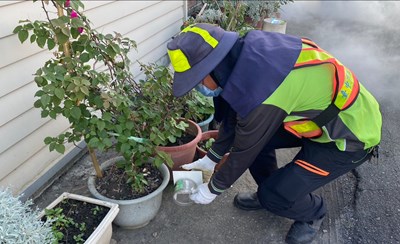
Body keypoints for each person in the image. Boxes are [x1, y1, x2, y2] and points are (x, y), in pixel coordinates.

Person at [166, 23, 381, 244]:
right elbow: (235, 114)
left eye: (198, 79)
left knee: (273, 194)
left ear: (213, 67)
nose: (200, 87)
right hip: (314, 118)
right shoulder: (246, 53)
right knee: (268, 174)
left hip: (348, 136)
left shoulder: (264, 94)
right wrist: (211, 158)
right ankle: (273, 189)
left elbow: (245, 148)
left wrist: (213, 188)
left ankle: (312, 213)